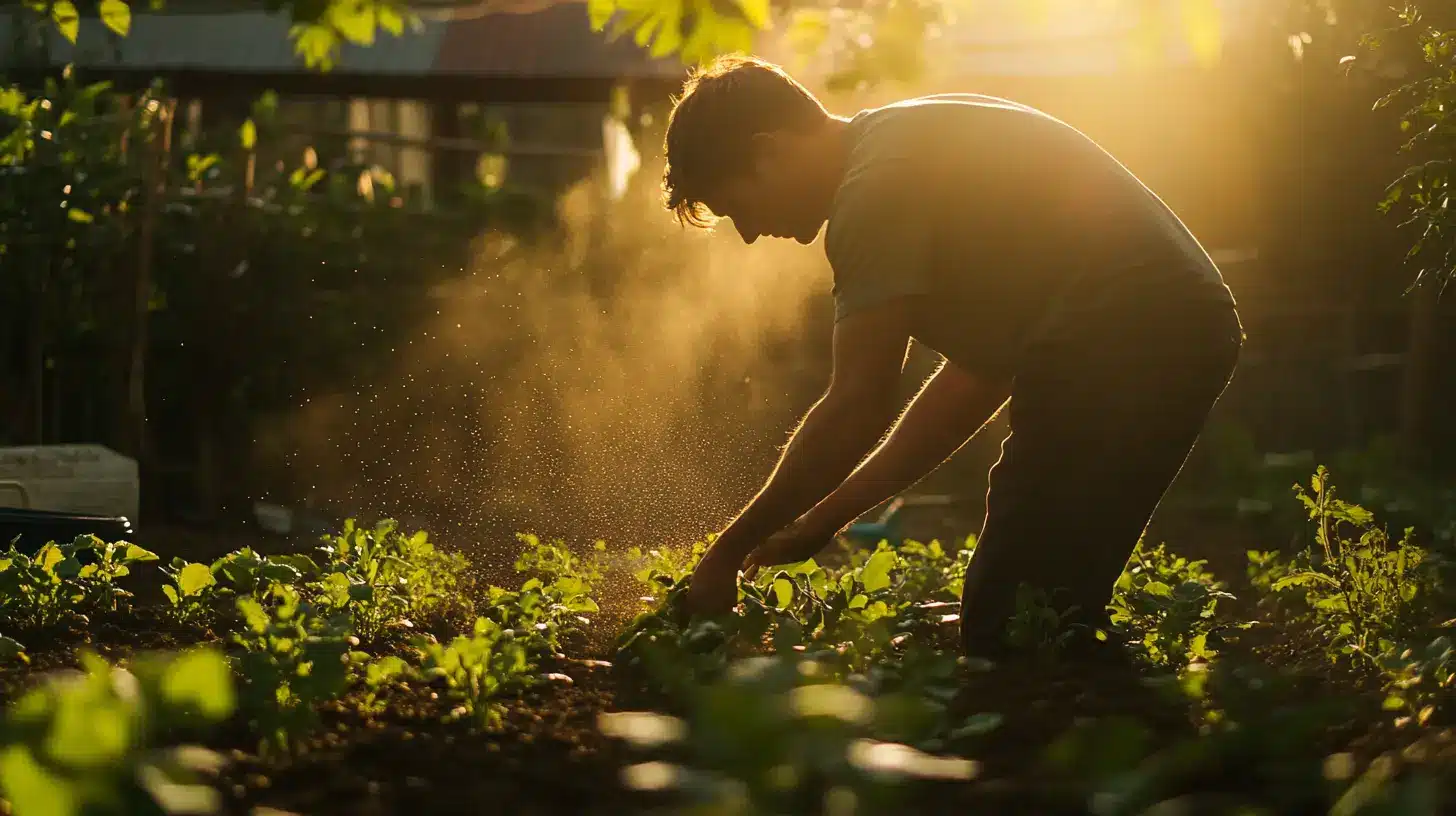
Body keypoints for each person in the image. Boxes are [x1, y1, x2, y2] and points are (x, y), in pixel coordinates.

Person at [667, 55, 1243, 660]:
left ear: (767, 152)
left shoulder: (873, 190)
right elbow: (977, 377)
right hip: (1176, 328)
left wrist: (728, 552)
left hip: (1133, 334)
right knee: (1038, 607)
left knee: (1018, 626)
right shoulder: (897, 143)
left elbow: (856, 406)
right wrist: (822, 520)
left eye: (737, 208)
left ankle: (1121, 732)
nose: (751, 234)